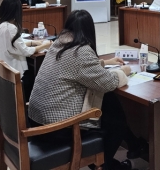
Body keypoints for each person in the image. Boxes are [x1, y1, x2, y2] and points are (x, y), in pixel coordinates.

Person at [28, 10, 140, 170]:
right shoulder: (80, 50)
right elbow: (108, 83)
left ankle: (132, 145)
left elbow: (76, 68)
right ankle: (104, 164)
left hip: (36, 121)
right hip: (58, 129)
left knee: (109, 105)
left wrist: (105, 62)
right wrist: (124, 71)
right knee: (116, 121)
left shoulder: (58, 44)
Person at [0, 0, 51, 99]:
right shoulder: (10, 28)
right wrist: (45, 45)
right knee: (33, 76)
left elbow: (8, 44)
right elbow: (25, 52)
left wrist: (32, 42)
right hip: (5, 77)